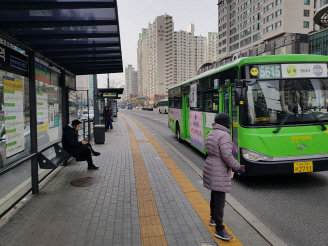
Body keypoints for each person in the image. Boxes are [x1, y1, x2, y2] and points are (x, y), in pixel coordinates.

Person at [203, 113, 244, 241]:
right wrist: (238, 167)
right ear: (225, 123)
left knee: (214, 195)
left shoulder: (211, 133)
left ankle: (213, 219)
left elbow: (208, 150)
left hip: (210, 167)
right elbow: (227, 156)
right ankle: (219, 230)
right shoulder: (224, 135)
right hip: (219, 170)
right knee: (220, 200)